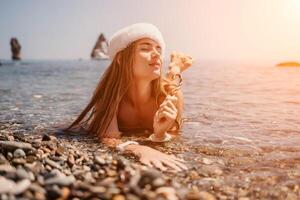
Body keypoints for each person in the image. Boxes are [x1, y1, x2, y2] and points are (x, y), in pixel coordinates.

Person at [65, 23, 192, 172]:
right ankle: (175, 68)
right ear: (120, 58)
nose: (157, 54)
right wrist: (141, 150)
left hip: (168, 86)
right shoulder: (110, 96)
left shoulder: (170, 95)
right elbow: (109, 139)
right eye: (145, 48)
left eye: (158, 48)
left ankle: (175, 67)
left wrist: (160, 135)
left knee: (171, 81)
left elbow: (172, 135)